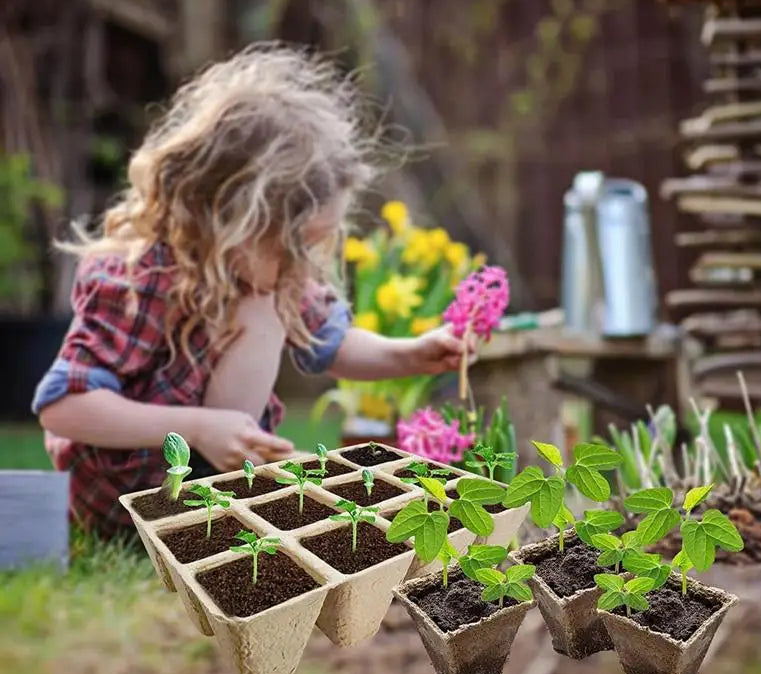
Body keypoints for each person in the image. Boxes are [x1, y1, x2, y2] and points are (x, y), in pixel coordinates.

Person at [33, 44, 471, 537]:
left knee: (268, 312)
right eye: (294, 244)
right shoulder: (141, 277)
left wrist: (410, 354)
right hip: (125, 501)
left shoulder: (268, 277)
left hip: (206, 477)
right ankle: (214, 507)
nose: (305, 263)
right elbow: (63, 406)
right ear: (230, 217)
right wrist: (196, 426)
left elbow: (333, 342)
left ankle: (228, 503)